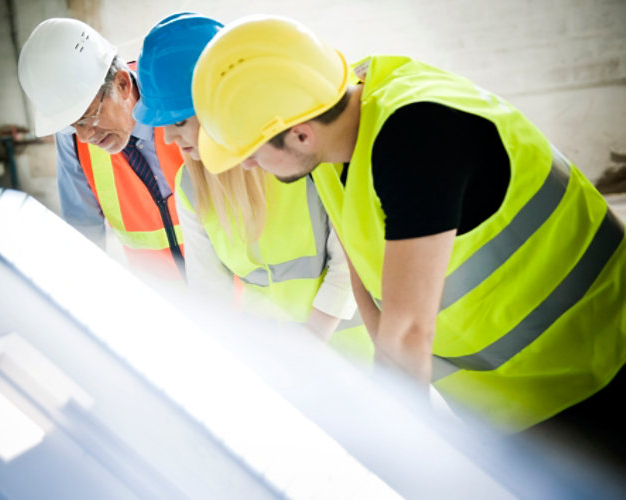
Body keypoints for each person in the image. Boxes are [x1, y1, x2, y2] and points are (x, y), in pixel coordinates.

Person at [190, 15, 626, 457]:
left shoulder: (417, 136)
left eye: (250, 151)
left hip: (600, 363)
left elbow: (409, 332)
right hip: (517, 403)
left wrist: (398, 454)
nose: (245, 166)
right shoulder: (328, 133)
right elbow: (367, 281)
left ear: (300, 134)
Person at [134, 13, 373, 361]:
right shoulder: (191, 186)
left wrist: (302, 356)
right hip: (273, 365)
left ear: (219, 105)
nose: (169, 138)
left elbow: (349, 271)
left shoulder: (305, 155)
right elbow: (209, 296)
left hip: (353, 362)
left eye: (180, 121)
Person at [17, 18, 185, 293]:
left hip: (239, 303)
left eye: (89, 118)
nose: (84, 136)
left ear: (122, 85)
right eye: (72, 125)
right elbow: (84, 233)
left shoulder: (176, 99)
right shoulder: (72, 140)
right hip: (163, 308)